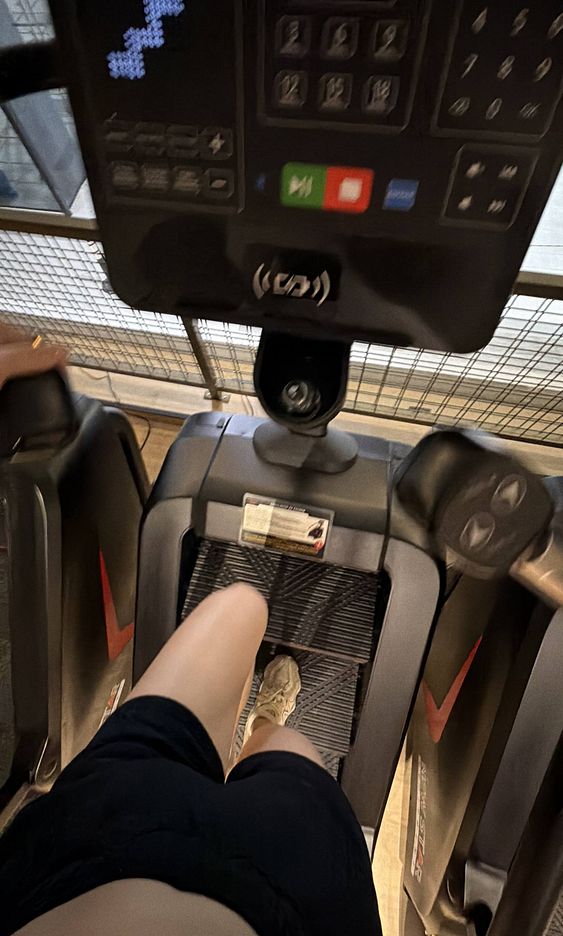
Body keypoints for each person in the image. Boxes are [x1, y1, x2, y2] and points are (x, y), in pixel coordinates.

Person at [0, 328, 381, 936]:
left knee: (238, 603)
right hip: (285, 897)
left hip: (80, 849)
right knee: (288, 745)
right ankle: (263, 727)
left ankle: (234, 749)